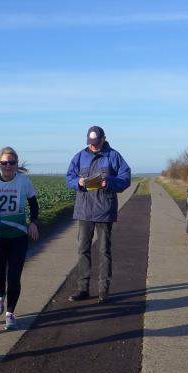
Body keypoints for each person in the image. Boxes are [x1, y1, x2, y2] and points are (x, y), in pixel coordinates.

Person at [65, 125, 131, 303]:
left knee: (104, 251)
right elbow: (69, 177)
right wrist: (78, 182)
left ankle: (103, 290)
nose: (93, 146)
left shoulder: (114, 156)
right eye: (90, 142)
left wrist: (109, 182)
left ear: (103, 139)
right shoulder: (80, 156)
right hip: (84, 210)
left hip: (104, 210)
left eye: (96, 142)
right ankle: (83, 288)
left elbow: (126, 178)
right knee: (83, 250)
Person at [0, 147, 40, 330]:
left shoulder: (23, 181)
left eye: (12, 162)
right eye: (4, 163)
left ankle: (10, 314)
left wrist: (33, 222)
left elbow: (33, 204)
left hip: (18, 236)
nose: (8, 166)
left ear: (16, 164)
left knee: (14, 277)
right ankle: (0, 295)